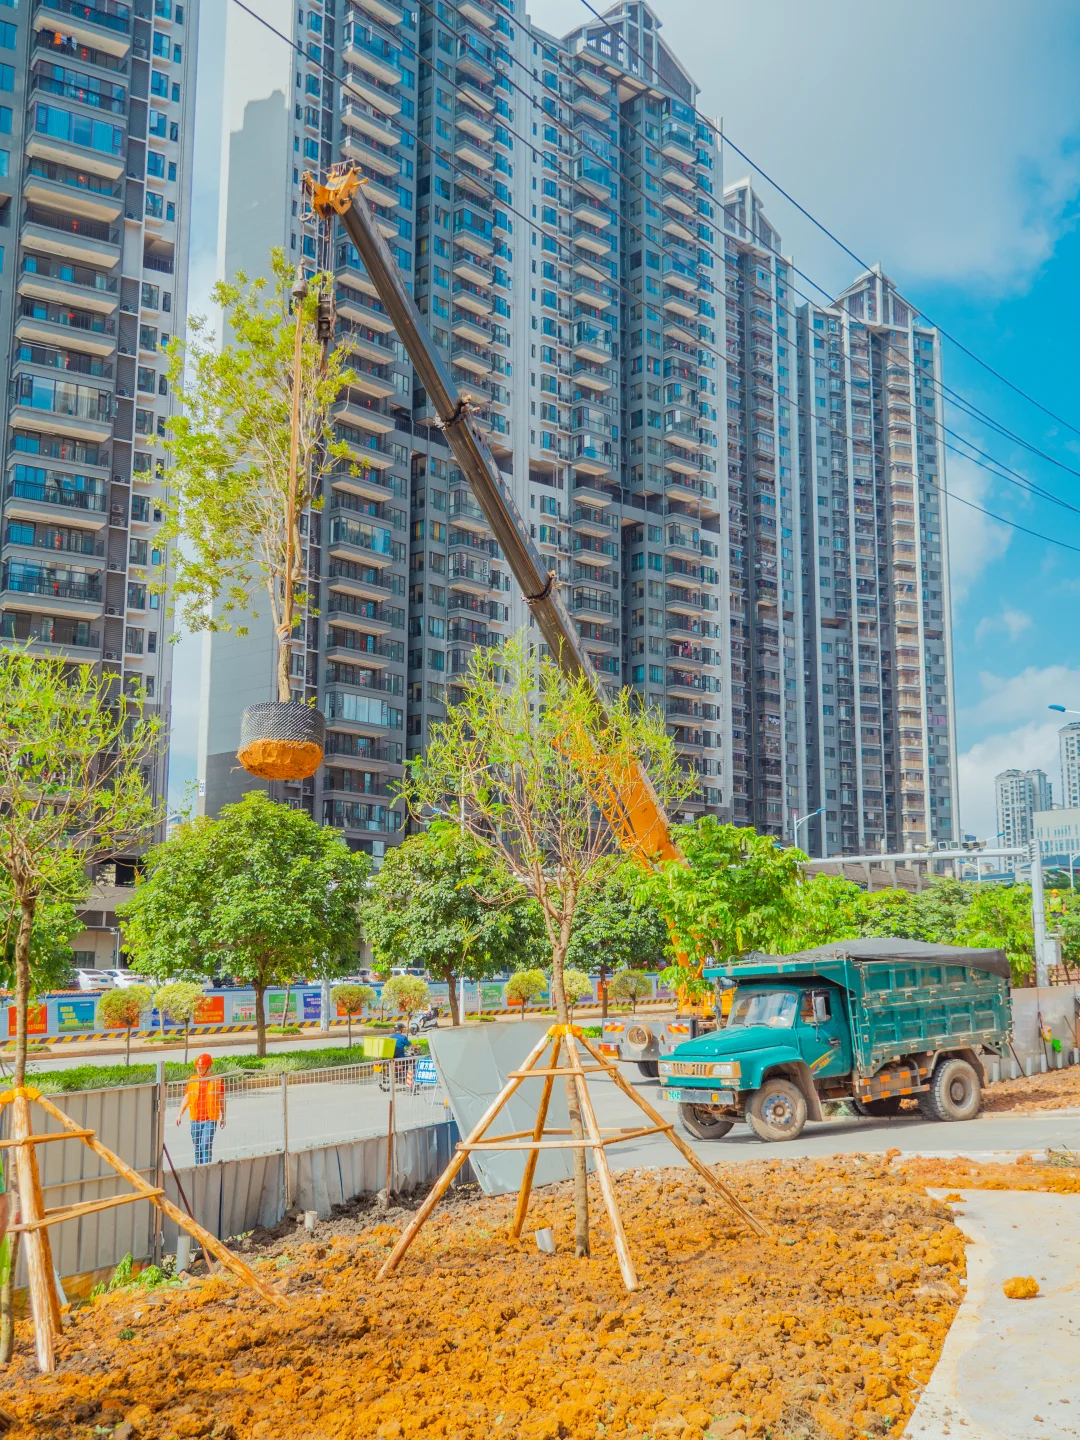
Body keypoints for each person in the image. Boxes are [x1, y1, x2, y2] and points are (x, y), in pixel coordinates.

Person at [177, 1053, 226, 1164]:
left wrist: (224, 1116)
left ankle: (206, 1168)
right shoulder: (193, 1080)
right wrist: (180, 1114)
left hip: (210, 1119)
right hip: (195, 1119)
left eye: (201, 1067)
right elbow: (187, 1097)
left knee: (206, 1145)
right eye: (198, 1067)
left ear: (208, 1068)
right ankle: (199, 1169)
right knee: (197, 1148)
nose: (198, 1069)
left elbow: (222, 1099)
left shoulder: (217, 1081)